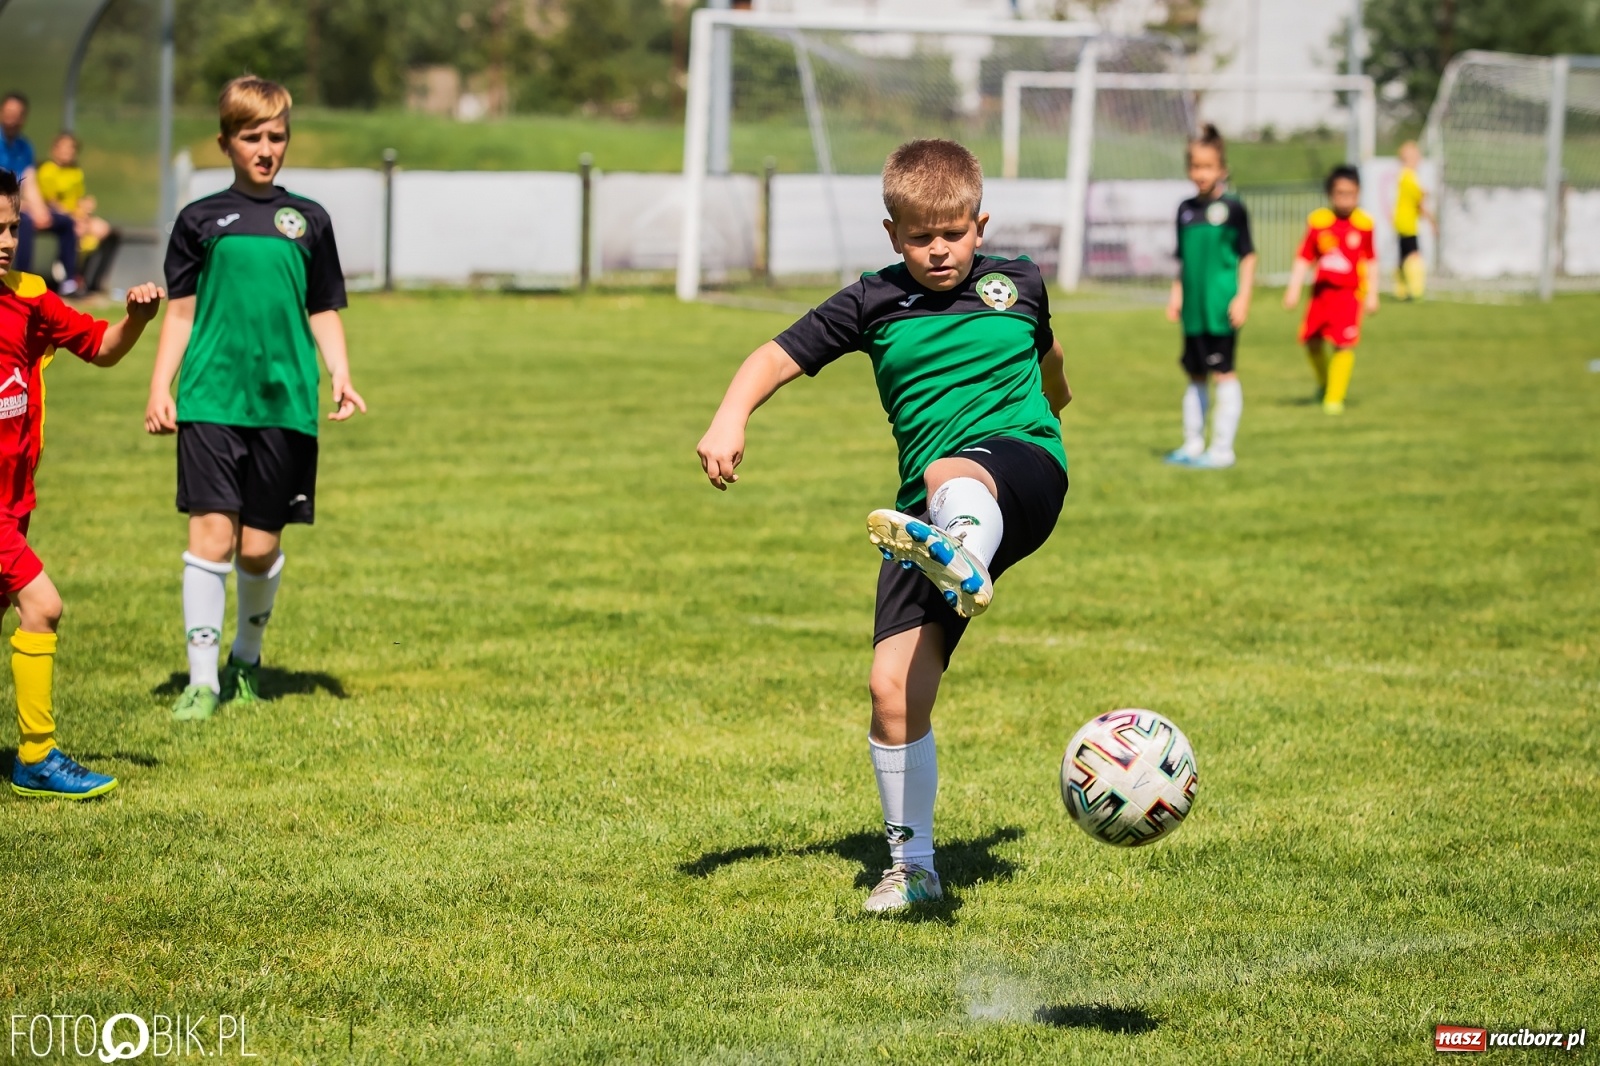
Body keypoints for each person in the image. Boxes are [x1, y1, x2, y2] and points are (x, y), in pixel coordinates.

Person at [696, 139, 1072, 914]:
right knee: (893, 689)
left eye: (954, 232)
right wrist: (730, 416)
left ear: (980, 223)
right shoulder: (872, 300)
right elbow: (775, 355)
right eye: (919, 236)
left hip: (1023, 470)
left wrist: (1052, 411)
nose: (938, 250)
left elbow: (1052, 362)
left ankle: (964, 551)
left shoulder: (1019, 281)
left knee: (952, 476)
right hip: (922, 516)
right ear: (891, 234)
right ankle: (915, 870)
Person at [147, 75, 365, 722]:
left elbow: (323, 306)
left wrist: (341, 373)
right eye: (251, 137)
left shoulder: (309, 221)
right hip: (212, 397)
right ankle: (201, 683)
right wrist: (161, 385)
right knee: (211, 536)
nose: (266, 148)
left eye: (276, 136)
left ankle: (246, 656)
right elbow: (180, 315)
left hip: (285, 404)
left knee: (258, 548)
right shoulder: (199, 221)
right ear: (225, 142)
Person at [0, 170, 166, 798]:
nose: (8, 241)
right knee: (43, 606)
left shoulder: (30, 298)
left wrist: (137, 320)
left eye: (13, 227)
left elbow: (99, 346)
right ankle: (37, 757)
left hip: (15, 503)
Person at [1164, 123, 1256, 469]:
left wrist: (1243, 297)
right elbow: (1184, 260)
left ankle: (1222, 450)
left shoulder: (1233, 209)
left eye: (1208, 166)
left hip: (1220, 307)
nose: (1201, 173)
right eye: (1196, 166)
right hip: (1194, 309)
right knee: (1195, 374)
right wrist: (1176, 294)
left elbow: (1248, 255)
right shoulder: (1185, 209)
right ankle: (1192, 444)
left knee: (1224, 373)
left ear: (1222, 169)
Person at [1284, 164, 1379, 415]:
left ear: (1358, 194)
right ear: (1330, 194)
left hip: (1348, 295)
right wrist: (1293, 289)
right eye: (1340, 193)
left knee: (1343, 345)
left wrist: (1373, 295)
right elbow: (1304, 256)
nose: (1346, 199)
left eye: (1351, 193)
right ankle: (1326, 383)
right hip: (1321, 294)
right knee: (1311, 342)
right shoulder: (1319, 221)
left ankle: (1334, 398)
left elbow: (1370, 260)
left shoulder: (1364, 224)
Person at [0, 94, 80, 295]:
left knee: (66, 222)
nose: (12, 118)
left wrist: (41, 210)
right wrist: (22, 206)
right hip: (7, 208)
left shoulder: (24, 146)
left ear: (23, 118)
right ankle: (20, 279)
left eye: (16, 115)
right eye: (8, 113)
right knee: (22, 223)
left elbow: (30, 180)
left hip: (21, 205)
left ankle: (69, 281)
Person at [37, 132, 120, 294]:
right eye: (64, 148)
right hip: (58, 217)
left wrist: (86, 206)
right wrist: (75, 216)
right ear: (54, 150)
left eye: (72, 149)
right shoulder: (47, 171)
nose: (68, 152)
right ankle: (69, 274)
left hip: (77, 216)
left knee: (102, 229)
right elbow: (51, 203)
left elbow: (78, 198)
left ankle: (88, 280)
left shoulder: (76, 172)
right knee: (77, 230)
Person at [1392, 140, 1432, 301]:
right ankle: (1415, 291)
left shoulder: (1403, 175)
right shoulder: (1409, 176)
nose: (1419, 160)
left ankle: (1401, 291)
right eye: (1416, 157)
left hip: (1401, 221)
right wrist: (1432, 221)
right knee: (1414, 256)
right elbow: (1419, 200)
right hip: (1408, 223)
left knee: (1403, 257)